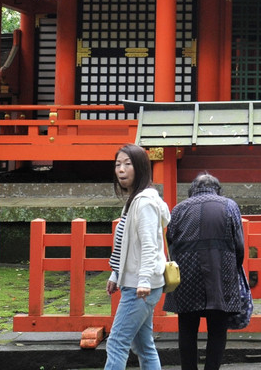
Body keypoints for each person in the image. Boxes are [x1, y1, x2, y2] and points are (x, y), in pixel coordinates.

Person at [163, 173, 246, 370]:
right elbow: (239, 245)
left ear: (192, 190)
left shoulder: (178, 209)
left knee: (187, 328)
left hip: (186, 276)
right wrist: (233, 269)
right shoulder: (229, 205)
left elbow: (170, 244)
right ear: (218, 189)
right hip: (220, 274)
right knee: (217, 327)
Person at [104, 144, 170, 370]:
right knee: (143, 345)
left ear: (140, 168)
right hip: (135, 283)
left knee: (116, 343)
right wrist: (116, 274)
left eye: (127, 164)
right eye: (117, 164)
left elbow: (150, 246)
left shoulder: (144, 204)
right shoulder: (134, 201)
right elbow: (127, 246)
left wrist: (142, 281)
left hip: (141, 287)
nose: (121, 169)